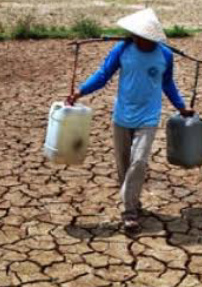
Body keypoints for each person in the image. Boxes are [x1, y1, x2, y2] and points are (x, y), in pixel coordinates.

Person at [67, 8, 193, 232]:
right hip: (122, 115)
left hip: (149, 116)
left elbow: (168, 83)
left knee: (139, 161)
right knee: (123, 165)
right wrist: (80, 91)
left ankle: (129, 212)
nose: (136, 37)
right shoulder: (123, 49)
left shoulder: (164, 55)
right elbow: (103, 74)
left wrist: (181, 106)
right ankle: (133, 200)